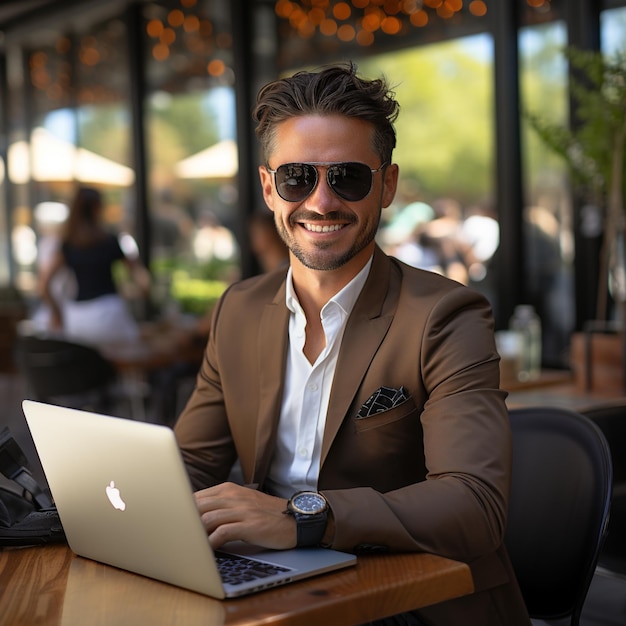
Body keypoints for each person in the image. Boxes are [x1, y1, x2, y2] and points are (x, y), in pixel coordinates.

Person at [174, 62, 530, 625]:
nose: (320, 202)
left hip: (416, 599)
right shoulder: (237, 309)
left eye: (348, 178)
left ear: (386, 186)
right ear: (269, 188)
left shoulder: (445, 315)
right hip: (279, 587)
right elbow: (191, 462)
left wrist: (301, 518)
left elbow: (473, 503)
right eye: (297, 178)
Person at [38, 186, 150, 344]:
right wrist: (136, 291)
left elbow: (44, 284)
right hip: (110, 314)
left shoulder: (68, 245)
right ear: (97, 208)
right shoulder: (110, 241)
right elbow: (141, 279)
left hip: (77, 317)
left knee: (88, 365)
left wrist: (57, 313)